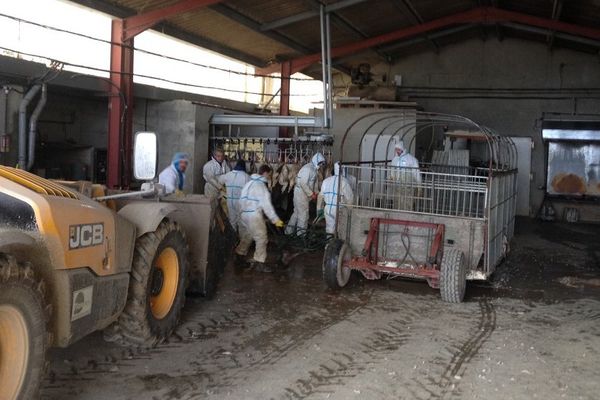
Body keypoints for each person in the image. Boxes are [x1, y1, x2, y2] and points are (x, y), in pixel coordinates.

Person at [235, 164, 285, 272]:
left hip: (244, 215)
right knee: (261, 237)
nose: (270, 177)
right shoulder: (261, 186)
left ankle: (239, 255)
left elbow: (241, 200)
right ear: (265, 173)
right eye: (270, 175)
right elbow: (267, 206)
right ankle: (259, 262)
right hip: (254, 215)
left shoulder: (249, 183)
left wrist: (241, 214)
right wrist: (276, 220)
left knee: (248, 235)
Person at [285, 152, 326, 235]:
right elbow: (303, 183)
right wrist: (311, 194)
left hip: (302, 193)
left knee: (296, 213)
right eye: (320, 163)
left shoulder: (314, 169)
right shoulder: (308, 169)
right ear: (316, 161)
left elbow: (314, 183)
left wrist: (317, 193)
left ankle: (288, 232)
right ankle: (301, 236)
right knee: (303, 215)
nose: (321, 165)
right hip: (301, 194)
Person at [318, 162, 354, 235]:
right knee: (340, 229)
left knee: (329, 229)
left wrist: (319, 209)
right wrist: (350, 210)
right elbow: (350, 198)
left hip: (328, 208)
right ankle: (337, 244)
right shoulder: (344, 181)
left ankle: (329, 245)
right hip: (339, 209)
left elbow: (320, 197)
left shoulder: (326, 181)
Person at [217, 160, 250, 231]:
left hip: (230, 201)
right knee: (241, 222)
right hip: (240, 202)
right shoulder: (246, 177)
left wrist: (223, 189)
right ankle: (241, 239)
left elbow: (219, 180)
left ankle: (233, 238)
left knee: (232, 221)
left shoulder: (228, 175)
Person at [391, 140, 421, 211]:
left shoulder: (411, 159)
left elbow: (416, 173)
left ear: (402, 149)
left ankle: (407, 215)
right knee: (397, 202)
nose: (397, 151)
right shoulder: (395, 159)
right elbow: (392, 169)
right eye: (396, 149)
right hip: (398, 185)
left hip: (408, 186)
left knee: (407, 202)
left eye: (398, 149)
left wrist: (419, 186)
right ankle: (397, 215)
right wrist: (392, 177)